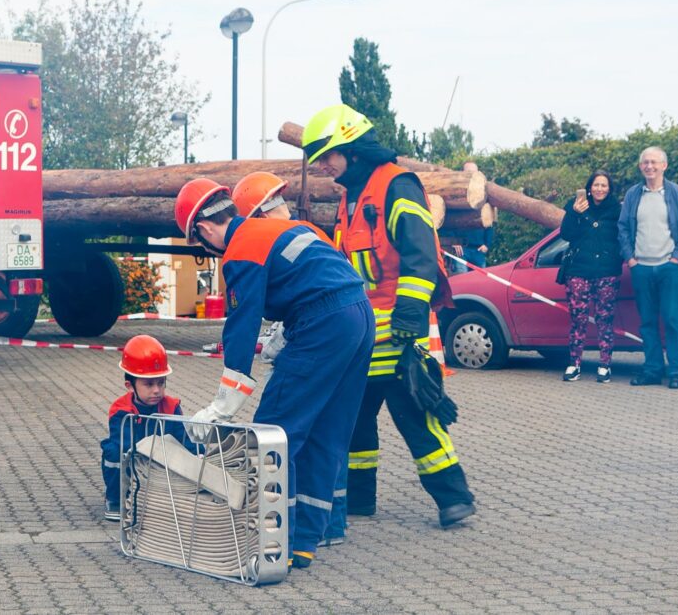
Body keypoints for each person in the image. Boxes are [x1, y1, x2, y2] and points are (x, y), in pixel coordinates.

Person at [174, 178, 373, 570]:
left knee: (273, 435)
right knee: (326, 433)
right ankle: (302, 544)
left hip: (323, 324)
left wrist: (222, 407)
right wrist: (289, 328)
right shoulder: (292, 227)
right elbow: (320, 276)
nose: (207, 250)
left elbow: (242, 326)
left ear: (203, 229)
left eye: (199, 243)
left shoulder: (240, 249)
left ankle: (270, 544)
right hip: (360, 316)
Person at [301, 103, 476, 529]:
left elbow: (419, 253)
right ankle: (360, 499)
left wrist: (409, 315)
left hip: (397, 333)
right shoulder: (351, 198)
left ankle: (454, 498)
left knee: (417, 417)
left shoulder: (398, 186)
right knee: (355, 424)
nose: (324, 165)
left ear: (353, 149)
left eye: (328, 155)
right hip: (360, 336)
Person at [617, 146, 678, 389]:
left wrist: (676, 259)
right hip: (641, 269)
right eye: (645, 163)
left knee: (672, 320)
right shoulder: (633, 195)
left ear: (664, 166)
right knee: (647, 322)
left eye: (654, 162)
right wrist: (630, 259)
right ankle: (652, 370)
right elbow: (623, 229)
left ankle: (676, 372)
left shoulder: (677, 194)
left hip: (669, 268)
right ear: (641, 167)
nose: (649, 166)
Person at [100, 334, 189, 521]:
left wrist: (200, 455)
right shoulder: (121, 411)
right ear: (129, 386)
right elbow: (126, 444)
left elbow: (185, 441)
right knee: (114, 452)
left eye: (161, 383)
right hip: (136, 460)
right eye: (148, 384)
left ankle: (171, 497)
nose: (156, 390)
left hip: (162, 465)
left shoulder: (171, 407)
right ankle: (116, 498)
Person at [559, 171, 623, 383]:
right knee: (578, 319)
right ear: (589, 187)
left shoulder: (617, 209)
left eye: (604, 185)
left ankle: (605, 365)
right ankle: (574, 364)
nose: (600, 189)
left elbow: (623, 236)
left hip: (607, 271)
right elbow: (566, 234)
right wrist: (574, 214)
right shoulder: (576, 205)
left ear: (609, 189)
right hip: (579, 270)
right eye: (596, 185)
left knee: (605, 318)